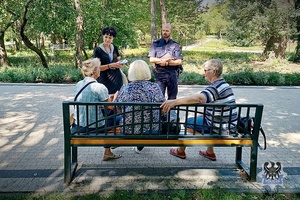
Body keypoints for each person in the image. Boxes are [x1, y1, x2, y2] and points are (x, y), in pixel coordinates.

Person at [160, 59, 238, 161]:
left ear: (213, 71)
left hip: (219, 128)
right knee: (201, 118)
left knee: (188, 123)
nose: (204, 73)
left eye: (206, 70)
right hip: (227, 124)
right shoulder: (224, 85)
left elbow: (199, 98)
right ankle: (210, 152)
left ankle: (180, 151)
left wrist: (174, 102)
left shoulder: (215, 87)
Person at [73, 58, 121, 161]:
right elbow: (111, 107)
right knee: (119, 118)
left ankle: (107, 152)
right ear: (95, 71)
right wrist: (116, 97)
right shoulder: (99, 87)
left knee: (107, 117)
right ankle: (111, 147)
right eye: (98, 68)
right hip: (94, 127)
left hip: (79, 126)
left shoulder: (78, 84)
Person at [114, 60, 165, 153]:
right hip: (151, 129)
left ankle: (111, 144)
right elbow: (162, 108)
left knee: (117, 119)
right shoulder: (154, 87)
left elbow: (118, 110)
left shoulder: (125, 88)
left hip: (128, 129)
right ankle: (139, 146)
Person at [148, 23, 183, 100]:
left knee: (172, 99)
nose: (165, 32)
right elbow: (151, 59)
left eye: (167, 31)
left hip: (172, 74)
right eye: (163, 30)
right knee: (159, 99)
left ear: (170, 32)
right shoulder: (155, 44)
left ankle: (172, 112)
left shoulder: (175, 45)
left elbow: (179, 61)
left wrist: (167, 62)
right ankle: (161, 112)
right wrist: (162, 61)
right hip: (160, 74)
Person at [93, 27, 126, 95]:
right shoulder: (98, 50)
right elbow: (97, 68)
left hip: (116, 79)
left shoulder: (115, 48)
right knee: (106, 101)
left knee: (117, 100)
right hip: (104, 80)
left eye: (110, 38)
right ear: (103, 36)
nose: (107, 39)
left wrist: (120, 63)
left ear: (113, 39)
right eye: (106, 37)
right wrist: (109, 65)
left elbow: (117, 60)